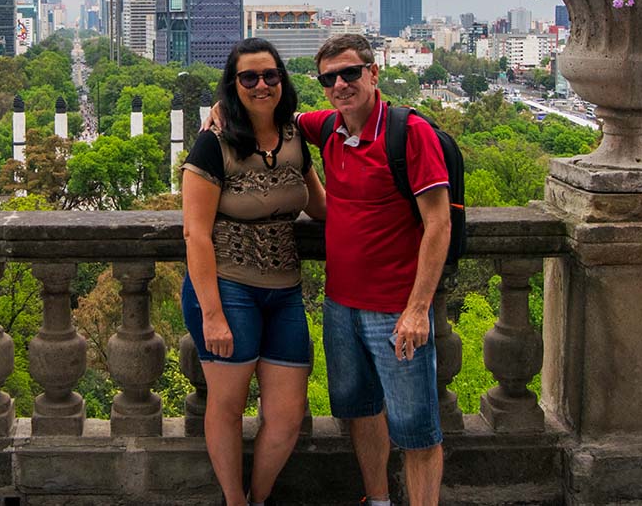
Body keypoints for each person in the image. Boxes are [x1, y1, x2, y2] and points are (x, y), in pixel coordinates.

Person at [296, 34, 451, 506]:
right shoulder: (328, 128)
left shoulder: (409, 133)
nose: (340, 84)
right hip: (341, 305)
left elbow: (438, 224)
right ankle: (378, 499)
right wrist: (222, 112)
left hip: (395, 310)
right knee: (362, 412)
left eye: (350, 73)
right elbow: (278, 112)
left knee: (417, 430)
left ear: (373, 73)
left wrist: (418, 309)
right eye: (329, 78)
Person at [182, 38, 326, 506]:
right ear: (233, 85)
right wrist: (212, 314)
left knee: (287, 413)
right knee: (226, 407)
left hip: (284, 292)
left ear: (282, 80)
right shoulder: (213, 145)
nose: (261, 84)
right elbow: (195, 236)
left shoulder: (295, 138)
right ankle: (234, 501)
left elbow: (322, 209)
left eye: (270, 75)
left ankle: (259, 497)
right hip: (227, 289)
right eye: (248, 77)